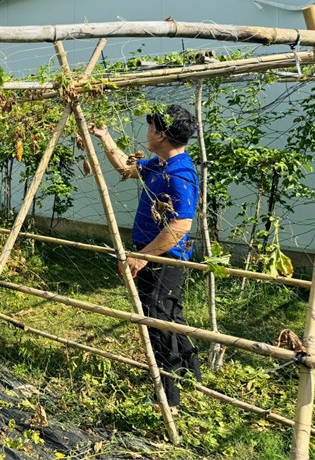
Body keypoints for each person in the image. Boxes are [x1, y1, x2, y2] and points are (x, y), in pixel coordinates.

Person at [92, 104, 201, 412]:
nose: (147, 132)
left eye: (151, 127)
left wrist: (142, 256)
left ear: (162, 134)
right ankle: (193, 375)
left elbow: (181, 224)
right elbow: (127, 168)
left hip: (165, 257)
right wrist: (104, 137)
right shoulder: (160, 164)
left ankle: (168, 399)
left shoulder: (180, 172)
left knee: (157, 320)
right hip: (153, 252)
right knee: (172, 315)